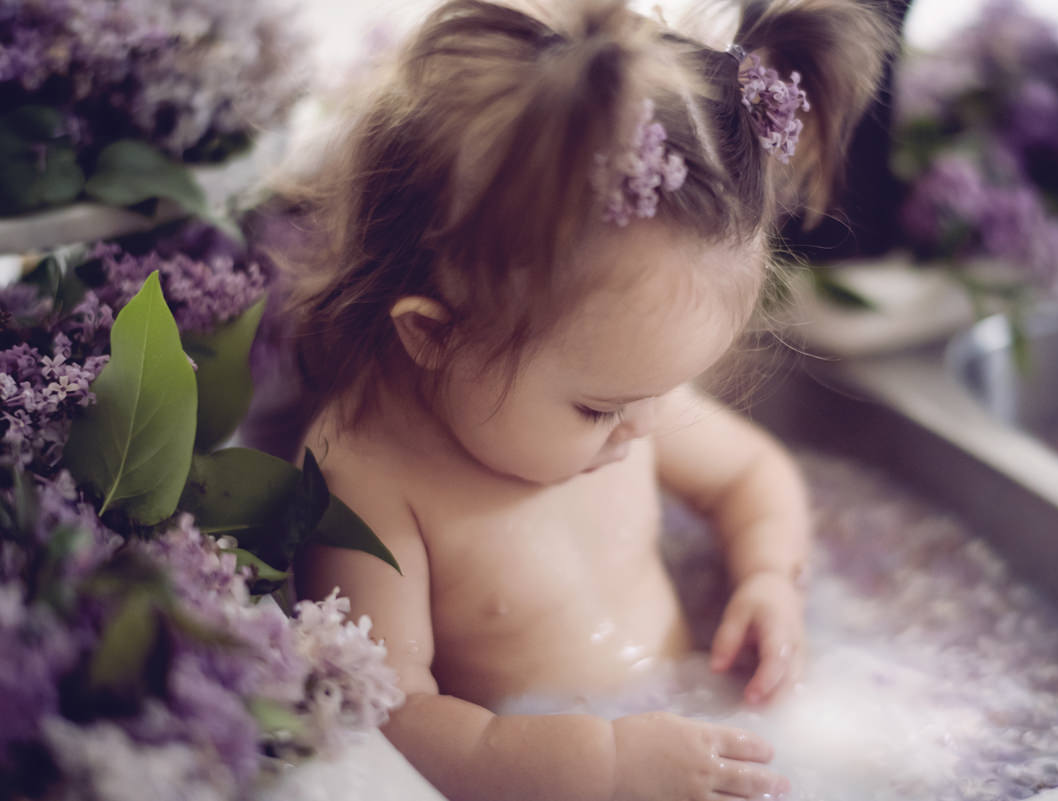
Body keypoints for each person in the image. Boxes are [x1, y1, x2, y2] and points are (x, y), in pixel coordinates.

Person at [278, 1, 891, 799]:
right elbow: (389, 719)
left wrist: (770, 576)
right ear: (435, 336)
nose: (643, 428)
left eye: (660, 392)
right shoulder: (365, 477)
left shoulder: (625, 392)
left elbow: (753, 477)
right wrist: (601, 767)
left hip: (690, 721)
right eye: (600, 409)